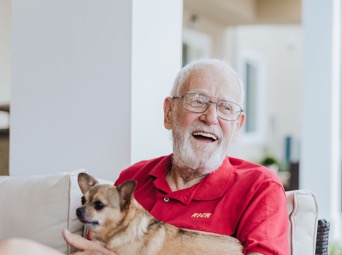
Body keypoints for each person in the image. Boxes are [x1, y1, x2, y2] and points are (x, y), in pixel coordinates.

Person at [0, 59, 289, 255]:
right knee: (12, 248)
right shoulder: (133, 178)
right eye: (197, 101)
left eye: (226, 108)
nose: (210, 117)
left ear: (237, 126)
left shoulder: (259, 187)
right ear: (169, 113)